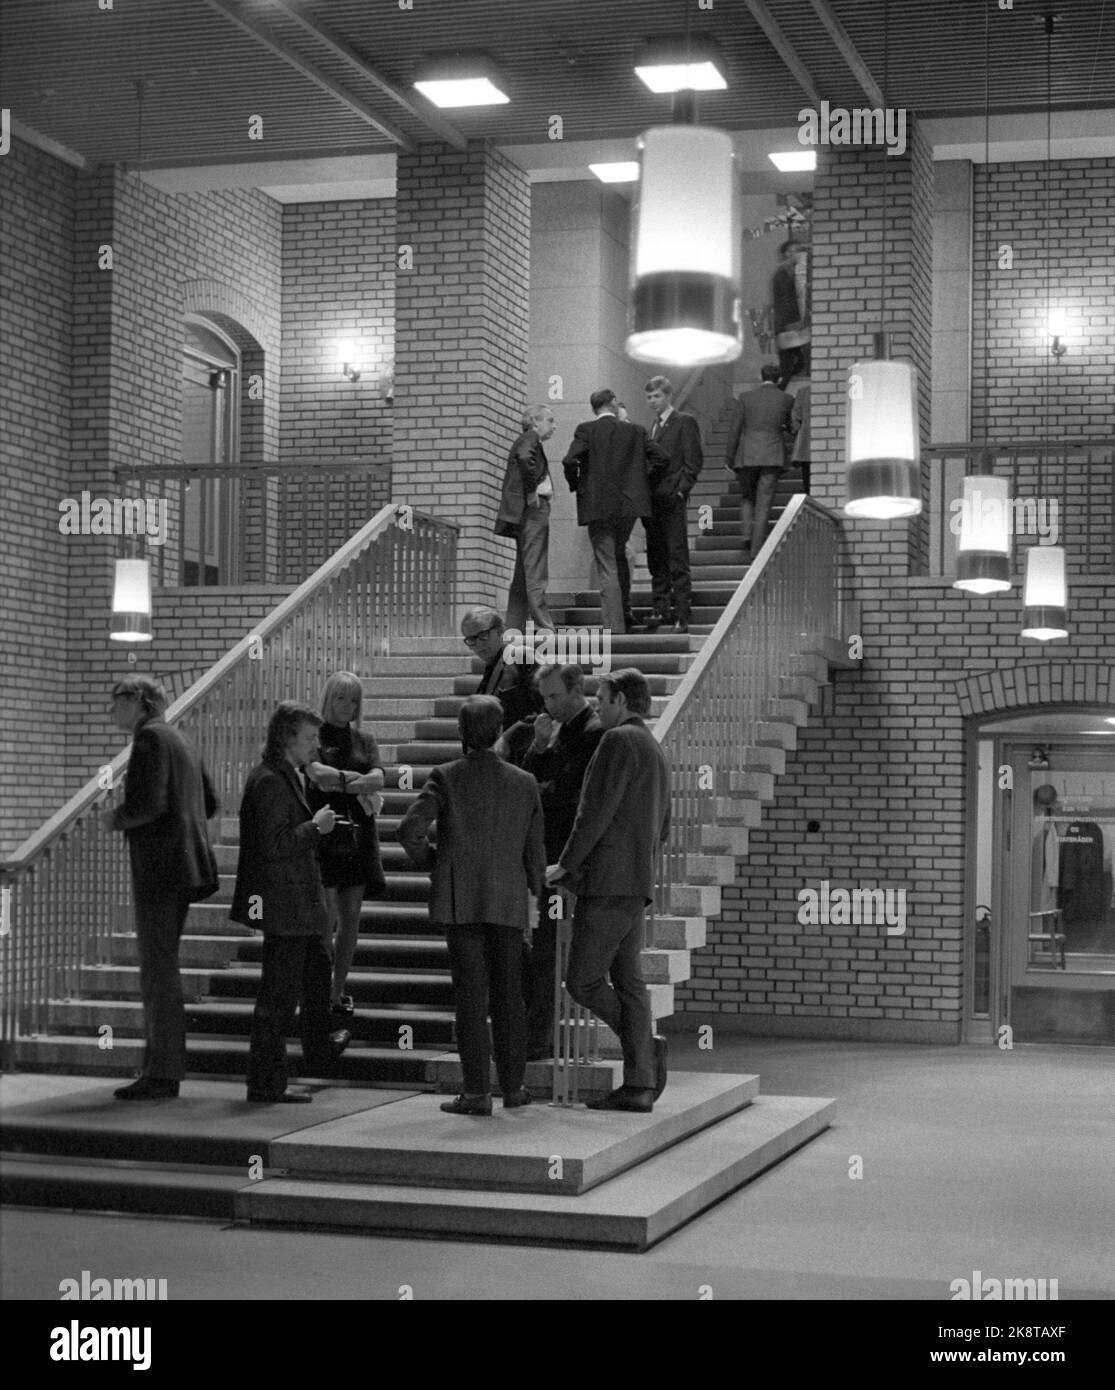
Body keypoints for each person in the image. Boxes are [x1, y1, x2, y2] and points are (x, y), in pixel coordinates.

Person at [398, 695, 545, 1116]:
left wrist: (436, 864)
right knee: (509, 999)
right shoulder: (524, 782)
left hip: (461, 903)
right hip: (507, 901)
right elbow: (535, 856)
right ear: (500, 731)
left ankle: (477, 1092)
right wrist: (533, 897)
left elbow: (409, 831)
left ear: (461, 733)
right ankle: (514, 1089)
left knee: (470, 1000)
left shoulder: (445, 777)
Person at [546, 668, 670, 1113]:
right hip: (636, 882)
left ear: (620, 699)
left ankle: (644, 1053)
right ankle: (639, 1081)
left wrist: (567, 862)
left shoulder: (616, 741)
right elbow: (665, 826)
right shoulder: (654, 748)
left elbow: (593, 811)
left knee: (581, 979)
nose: (597, 705)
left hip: (608, 883)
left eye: (601, 697)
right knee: (630, 982)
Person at [232, 701, 351, 1104]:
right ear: (287, 739)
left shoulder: (284, 776)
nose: (316, 745)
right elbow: (273, 845)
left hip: (297, 905)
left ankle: (314, 1052)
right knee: (278, 999)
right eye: (310, 738)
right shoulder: (269, 781)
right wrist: (314, 828)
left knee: (311, 978)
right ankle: (266, 1083)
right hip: (284, 906)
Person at [106, 676, 219, 1101]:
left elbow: (147, 805)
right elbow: (208, 801)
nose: (111, 710)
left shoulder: (150, 739)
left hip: (160, 870)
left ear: (138, 701)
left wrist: (115, 817)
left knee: (158, 972)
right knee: (162, 967)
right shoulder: (180, 738)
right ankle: (161, 1068)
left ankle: (162, 1072)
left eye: (116, 701)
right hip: (186, 867)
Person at [510, 664, 604, 1059]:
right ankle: (530, 1033)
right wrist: (538, 749)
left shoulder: (593, 733)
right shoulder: (555, 731)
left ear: (577, 688)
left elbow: (562, 795)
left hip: (564, 862)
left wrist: (542, 755)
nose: (548, 705)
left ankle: (536, 1038)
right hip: (541, 858)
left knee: (548, 951)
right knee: (535, 948)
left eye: (554, 697)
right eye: (544, 697)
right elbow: (525, 788)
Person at [305, 672, 386, 1022]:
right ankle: (320, 990)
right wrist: (355, 782)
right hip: (325, 832)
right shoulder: (314, 735)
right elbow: (316, 775)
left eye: (353, 700)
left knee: (351, 918)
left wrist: (339, 783)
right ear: (329, 699)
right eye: (340, 698)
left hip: (358, 835)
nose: (346, 706)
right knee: (326, 919)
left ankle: (338, 990)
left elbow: (380, 778)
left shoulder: (364, 740)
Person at [562, 388, 668, 635]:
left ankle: (614, 626)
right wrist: (642, 482)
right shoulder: (636, 430)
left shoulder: (586, 429)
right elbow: (662, 458)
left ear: (594, 408)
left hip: (597, 505)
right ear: (612, 404)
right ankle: (625, 612)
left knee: (607, 564)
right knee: (619, 556)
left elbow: (569, 461)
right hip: (629, 505)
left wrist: (577, 485)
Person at [642, 376, 704, 633]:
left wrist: (682, 490)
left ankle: (681, 613)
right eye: (649, 397)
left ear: (667, 396)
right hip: (653, 498)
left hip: (672, 495)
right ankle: (660, 608)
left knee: (677, 555)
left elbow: (693, 459)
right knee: (657, 556)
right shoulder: (653, 427)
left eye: (656, 396)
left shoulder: (684, 422)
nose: (652, 401)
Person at [495, 404, 557, 632]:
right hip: (533, 511)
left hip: (524, 514)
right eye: (550, 420)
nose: (554, 425)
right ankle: (544, 625)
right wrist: (531, 491)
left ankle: (514, 625)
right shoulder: (530, 438)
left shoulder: (527, 439)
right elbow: (524, 458)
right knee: (535, 570)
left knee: (522, 573)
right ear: (534, 422)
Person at [724, 364, 794, 562]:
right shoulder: (786, 399)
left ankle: (746, 535)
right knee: (764, 503)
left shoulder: (745, 397)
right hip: (772, 455)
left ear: (759, 376)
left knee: (747, 496)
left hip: (747, 455)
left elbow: (735, 429)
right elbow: (789, 425)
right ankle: (757, 550)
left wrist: (729, 458)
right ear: (779, 379)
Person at [461, 605, 541, 731]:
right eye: (471, 639)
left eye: (483, 635)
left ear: (500, 631)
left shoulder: (522, 656)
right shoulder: (490, 669)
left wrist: (509, 739)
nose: (479, 644)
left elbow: (545, 712)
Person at [772, 240, 810, 387]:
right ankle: (778, 390)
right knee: (788, 361)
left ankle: (779, 387)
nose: (795, 253)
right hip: (787, 324)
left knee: (795, 359)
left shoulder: (793, 272)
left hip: (790, 323)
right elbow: (786, 300)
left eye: (797, 250)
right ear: (784, 254)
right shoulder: (783, 274)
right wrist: (792, 322)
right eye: (791, 250)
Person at [790, 383, 812, 496]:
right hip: (832, 448)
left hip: (806, 446)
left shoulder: (803, 392)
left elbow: (796, 422)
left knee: (808, 487)